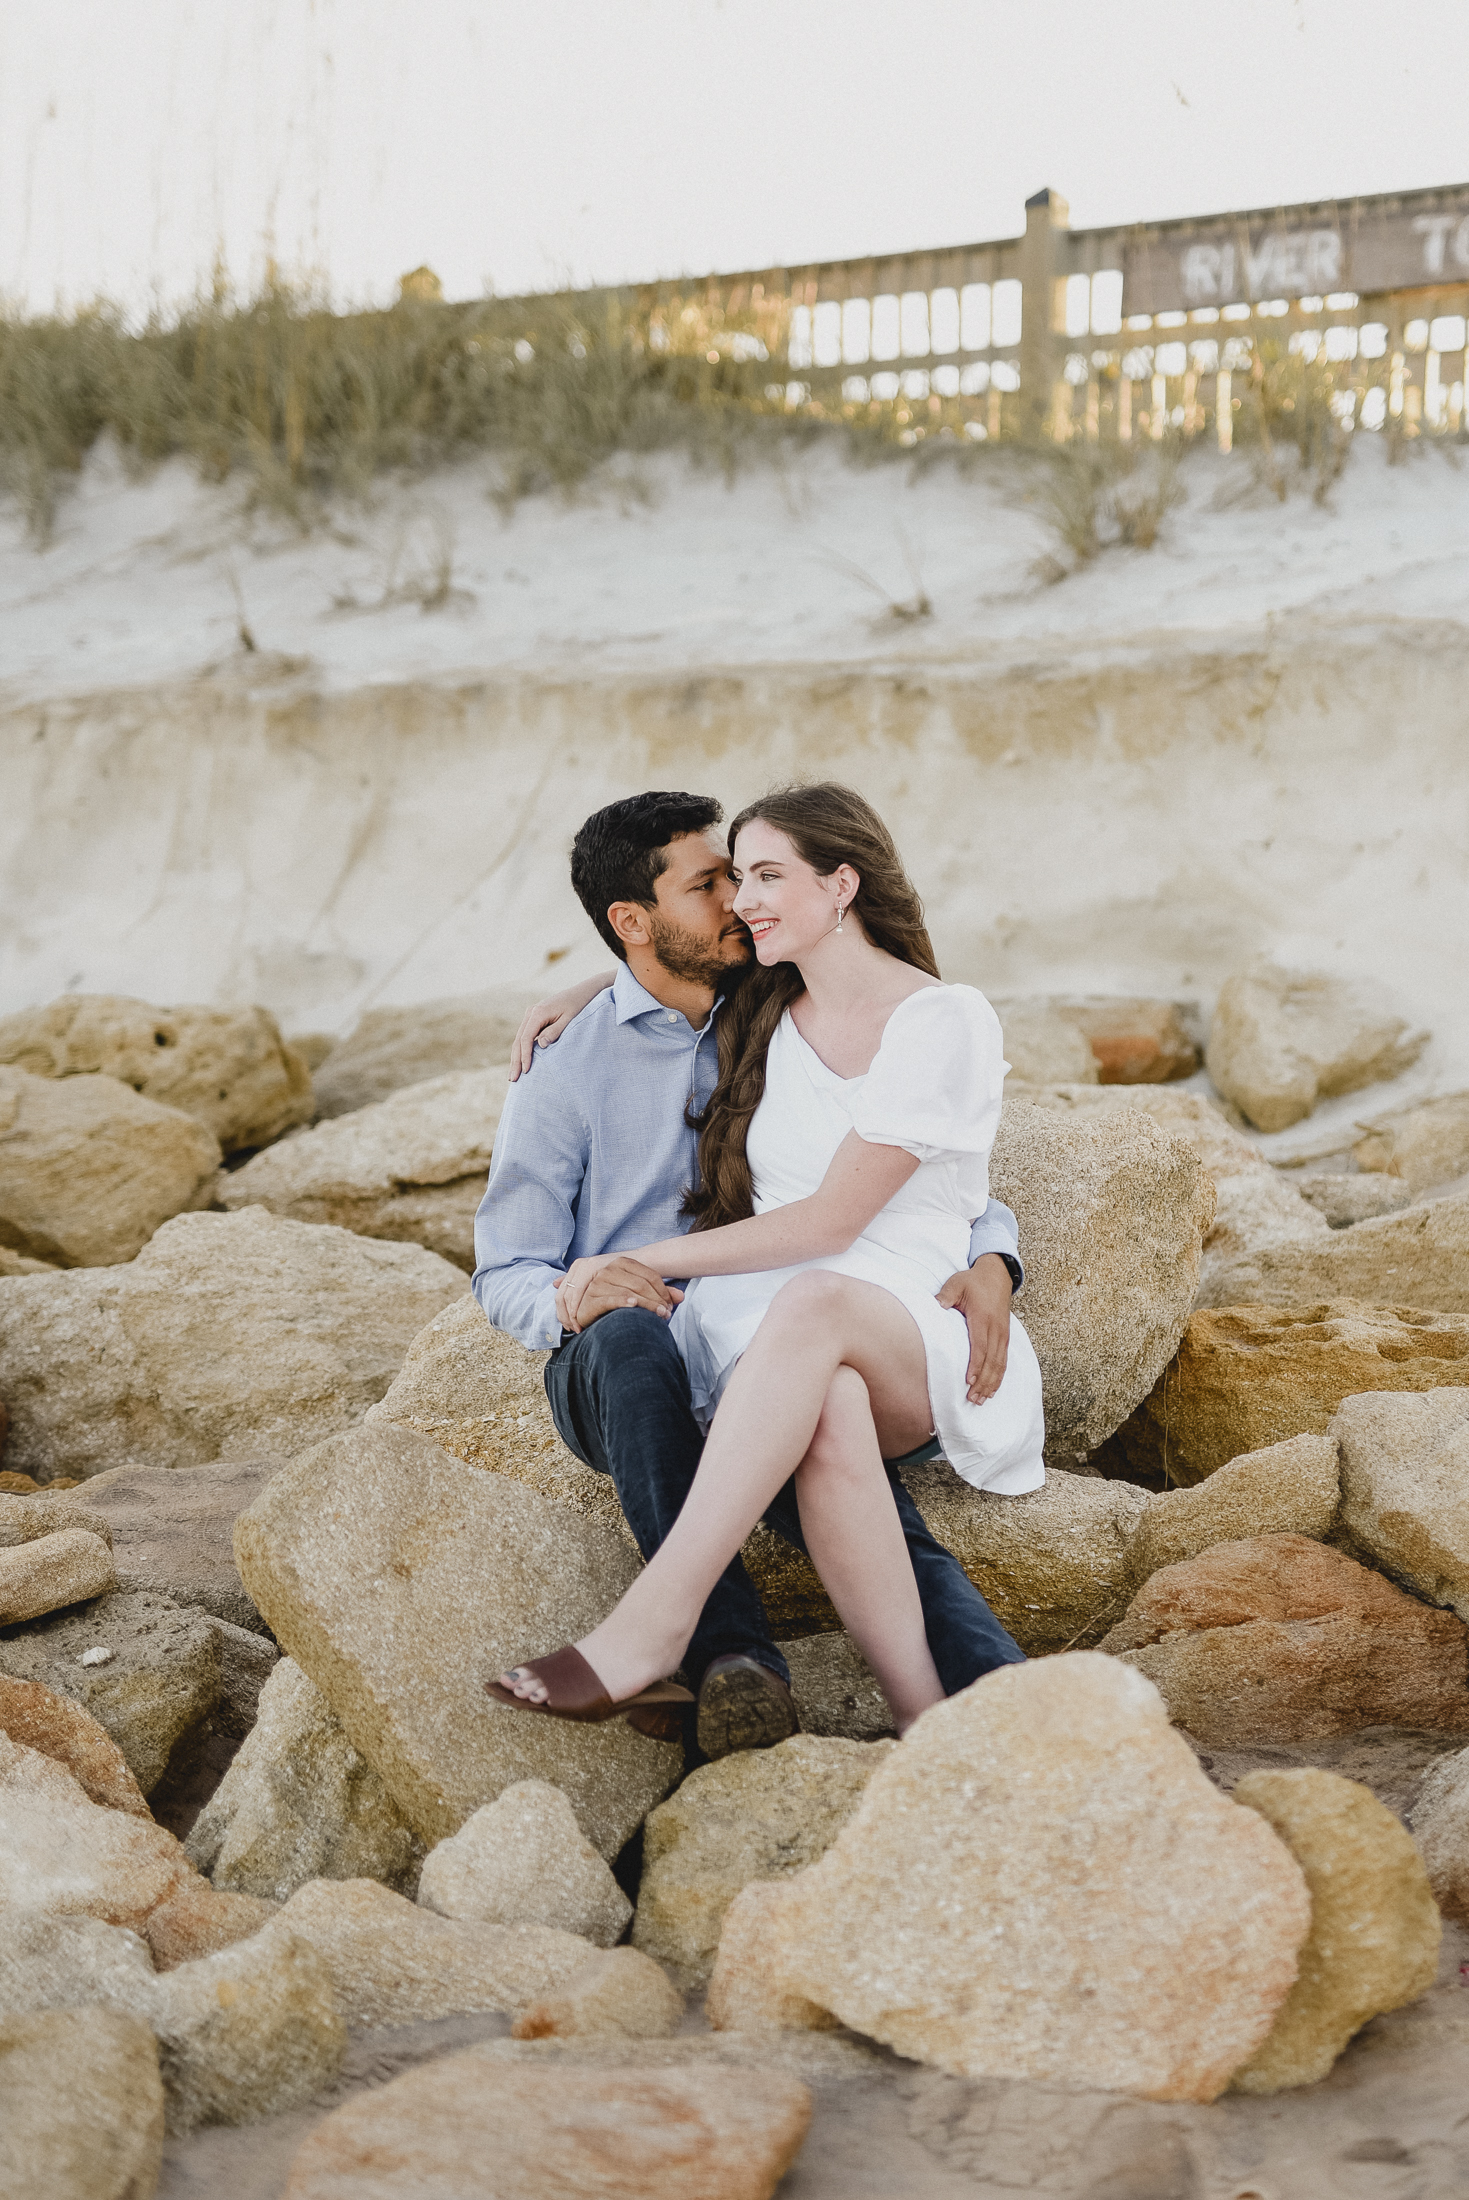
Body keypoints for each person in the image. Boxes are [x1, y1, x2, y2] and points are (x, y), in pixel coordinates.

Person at [480, 784, 1044, 1745]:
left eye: (749, 877)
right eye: (714, 884)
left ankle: (967, 1714)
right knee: (631, 1340)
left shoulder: (769, 996)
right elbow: (506, 1272)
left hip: (790, 1311)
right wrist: (584, 1290)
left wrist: (994, 1256)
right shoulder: (569, 1066)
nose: (739, 901)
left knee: (823, 1403)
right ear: (633, 924)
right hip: (642, 1349)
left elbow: (911, 1175)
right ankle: (725, 1649)